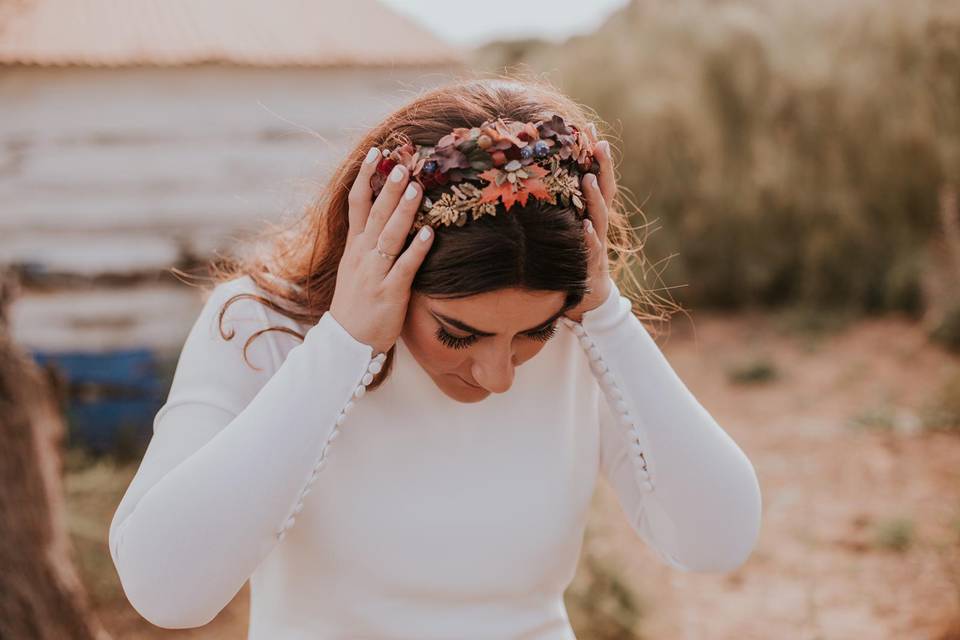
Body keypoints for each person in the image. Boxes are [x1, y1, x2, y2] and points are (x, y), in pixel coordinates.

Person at [108, 77, 762, 638]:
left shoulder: (581, 332)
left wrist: (605, 312)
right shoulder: (258, 324)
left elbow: (717, 540)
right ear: (383, 262)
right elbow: (166, 591)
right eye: (459, 333)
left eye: (531, 333)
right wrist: (344, 343)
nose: (499, 375)